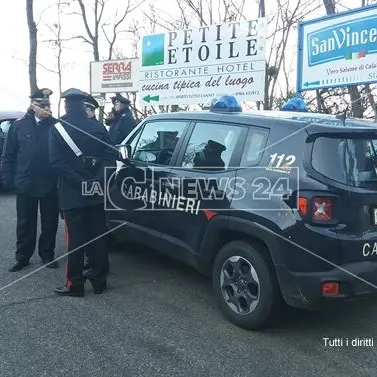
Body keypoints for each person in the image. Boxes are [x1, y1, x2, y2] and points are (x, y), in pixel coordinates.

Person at [49, 88, 117, 297]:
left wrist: (80, 183)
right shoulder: (97, 127)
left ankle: (75, 285)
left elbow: (56, 163)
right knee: (97, 238)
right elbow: (111, 158)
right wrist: (97, 181)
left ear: (67, 105)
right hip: (96, 193)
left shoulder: (58, 128)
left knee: (75, 241)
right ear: (83, 105)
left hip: (72, 194)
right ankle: (98, 282)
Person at [1, 88, 60, 272]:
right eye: (42, 105)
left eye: (48, 105)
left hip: (50, 182)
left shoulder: (56, 125)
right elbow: (8, 154)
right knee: (25, 222)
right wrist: (8, 179)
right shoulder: (19, 126)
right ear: (33, 106)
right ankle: (22, 257)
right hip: (26, 182)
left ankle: (47, 254)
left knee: (50, 221)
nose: (46, 108)